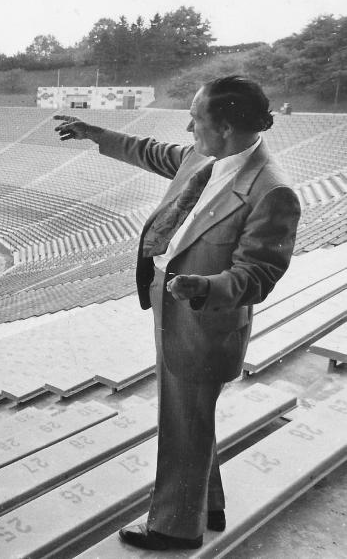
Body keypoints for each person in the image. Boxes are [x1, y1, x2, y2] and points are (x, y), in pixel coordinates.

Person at [54, 75, 300, 551]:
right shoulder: (205, 155)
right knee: (192, 418)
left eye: (196, 118)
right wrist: (96, 135)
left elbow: (258, 275)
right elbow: (152, 152)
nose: (189, 126)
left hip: (205, 320)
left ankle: (173, 527)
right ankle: (208, 506)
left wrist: (202, 287)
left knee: (182, 426)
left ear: (225, 126)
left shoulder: (272, 190)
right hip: (175, 308)